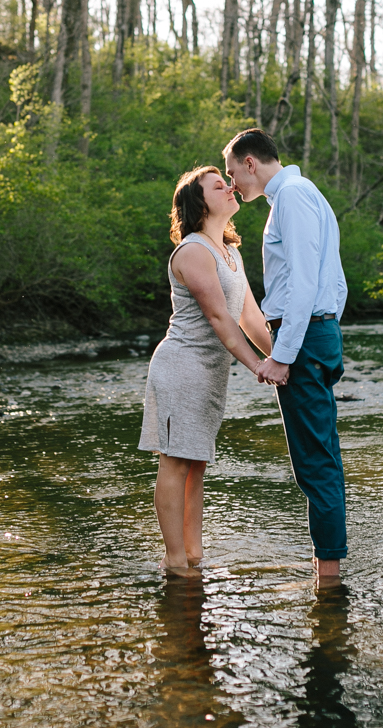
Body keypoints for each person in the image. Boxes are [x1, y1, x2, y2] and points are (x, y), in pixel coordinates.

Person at [223, 128, 349, 584]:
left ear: (251, 162)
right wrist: (326, 331)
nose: (232, 183)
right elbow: (334, 281)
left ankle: (328, 579)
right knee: (323, 456)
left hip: (305, 339)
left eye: (232, 172)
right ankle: (327, 567)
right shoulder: (303, 193)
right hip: (320, 334)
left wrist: (285, 354)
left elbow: (303, 285)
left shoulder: (292, 198)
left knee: (314, 463)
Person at [139, 165, 274, 577]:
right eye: (219, 185)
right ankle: (175, 559)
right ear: (200, 203)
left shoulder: (230, 253)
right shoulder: (194, 251)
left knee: (195, 463)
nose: (230, 187)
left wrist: (286, 358)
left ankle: (193, 553)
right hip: (181, 368)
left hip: (210, 374)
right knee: (176, 462)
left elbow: (251, 317)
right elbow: (219, 318)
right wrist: (259, 367)